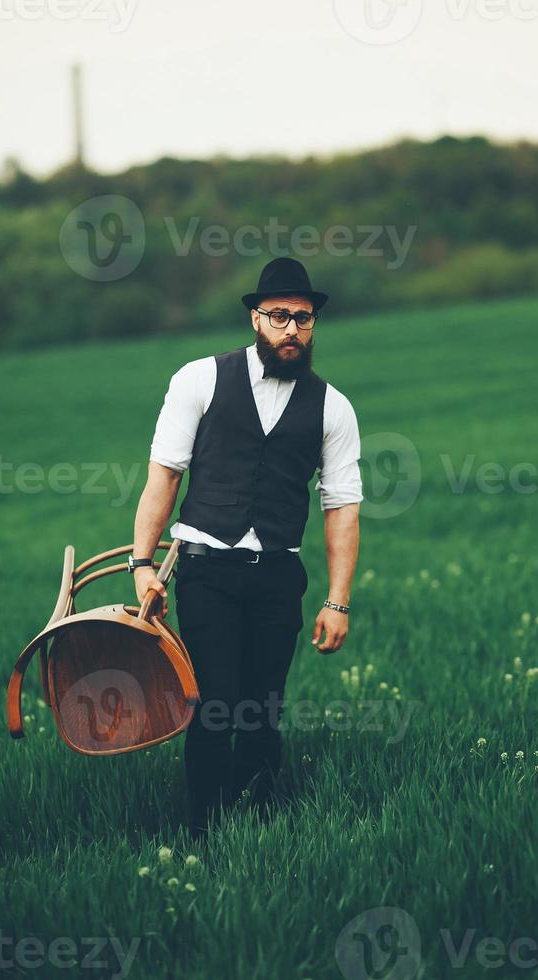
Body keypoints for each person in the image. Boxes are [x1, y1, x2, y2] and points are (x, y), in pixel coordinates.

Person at [131, 256, 363, 840]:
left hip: (279, 576)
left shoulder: (333, 406)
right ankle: (203, 829)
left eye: (303, 319)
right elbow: (164, 477)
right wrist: (142, 564)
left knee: (263, 707)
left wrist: (337, 602)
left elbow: (341, 507)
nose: (292, 329)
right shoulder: (200, 379)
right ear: (255, 318)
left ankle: (259, 825)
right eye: (280, 316)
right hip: (207, 570)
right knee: (215, 701)